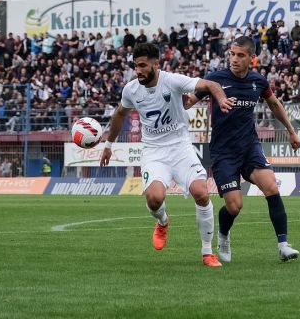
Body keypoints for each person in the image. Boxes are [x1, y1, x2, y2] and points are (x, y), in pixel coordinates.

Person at [100, 43, 235, 267]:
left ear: (156, 64)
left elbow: (211, 84)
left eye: (143, 65)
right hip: (154, 151)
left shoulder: (172, 81)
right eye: (136, 66)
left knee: (201, 193)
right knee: (154, 199)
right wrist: (108, 144)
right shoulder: (131, 90)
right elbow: (119, 114)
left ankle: (207, 252)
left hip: (180, 147)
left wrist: (220, 99)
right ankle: (163, 221)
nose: (138, 70)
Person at [184, 36, 300, 263]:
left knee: (271, 187)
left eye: (240, 55)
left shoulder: (258, 81)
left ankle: (283, 245)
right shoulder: (216, 79)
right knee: (235, 206)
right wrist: (176, 96)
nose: (234, 59)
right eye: (232, 54)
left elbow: (274, 104)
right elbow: (189, 101)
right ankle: (224, 235)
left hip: (250, 147)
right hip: (223, 152)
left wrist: (291, 131)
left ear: (252, 58)